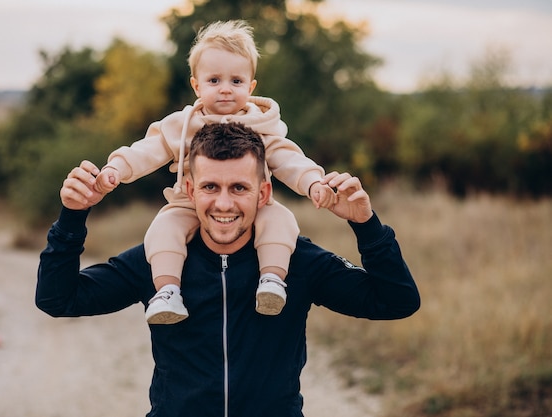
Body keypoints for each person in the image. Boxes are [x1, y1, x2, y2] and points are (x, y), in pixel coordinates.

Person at [36, 122, 421, 417]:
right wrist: (73, 215)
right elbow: (58, 298)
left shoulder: (296, 262)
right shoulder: (159, 260)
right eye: (210, 188)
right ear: (189, 189)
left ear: (263, 193)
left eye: (239, 188)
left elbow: (396, 301)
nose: (223, 203)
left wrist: (366, 224)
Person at [92, 20, 336, 324]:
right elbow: (146, 150)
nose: (225, 90)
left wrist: (313, 183)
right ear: (196, 85)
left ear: (251, 86)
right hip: (189, 201)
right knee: (163, 226)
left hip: (250, 204)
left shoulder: (262, 127)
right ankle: (168, 291)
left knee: (281, 219)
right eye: (214, 81)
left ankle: (272, 280)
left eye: (236, 81)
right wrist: (116, 169)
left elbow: (289, 160)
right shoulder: (181, 125)